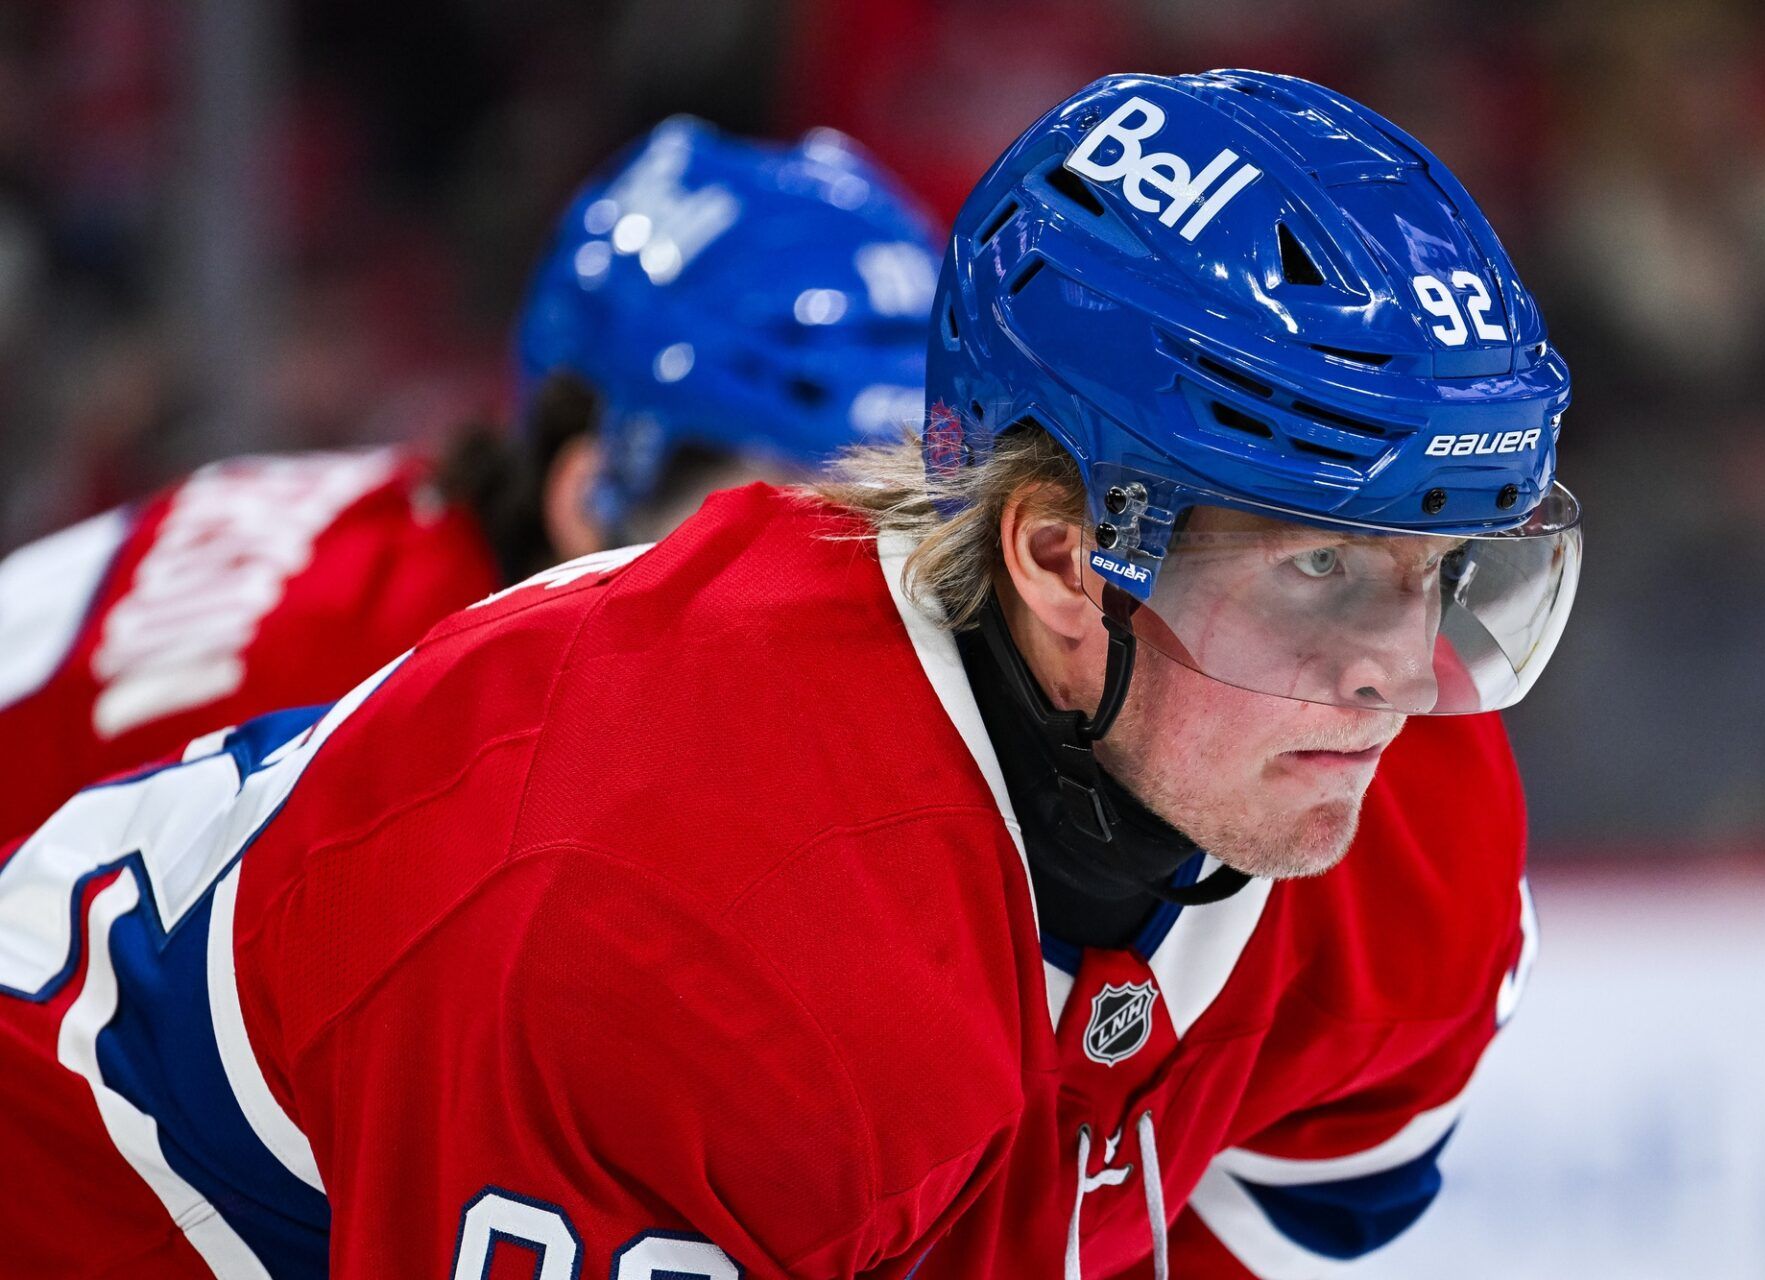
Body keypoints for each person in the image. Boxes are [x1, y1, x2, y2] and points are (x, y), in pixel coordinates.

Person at [0, 71, 1580, 1278]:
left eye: (1441, 567)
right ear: (1053, 555)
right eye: (1315, 565)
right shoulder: (675, 909)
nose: (1392, 676)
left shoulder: (1402, 816)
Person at [0, 117, 937, 838]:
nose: (863, 584)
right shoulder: (398, 741)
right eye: (798, 523)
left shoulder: (413, 541)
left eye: (909, 515)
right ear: (593, 493)